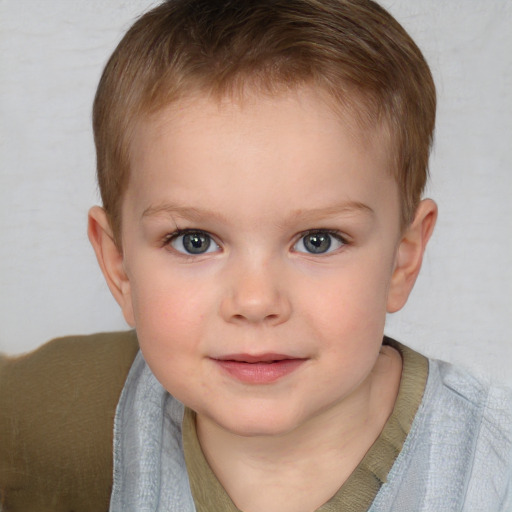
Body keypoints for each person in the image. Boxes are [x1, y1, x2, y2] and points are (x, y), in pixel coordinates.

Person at [0, 0, 511, 511]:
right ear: (119, 268)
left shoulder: (492, 470)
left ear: (403, 259)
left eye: (318, 240)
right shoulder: (64, 412)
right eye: (194, 241)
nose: (255, 301)